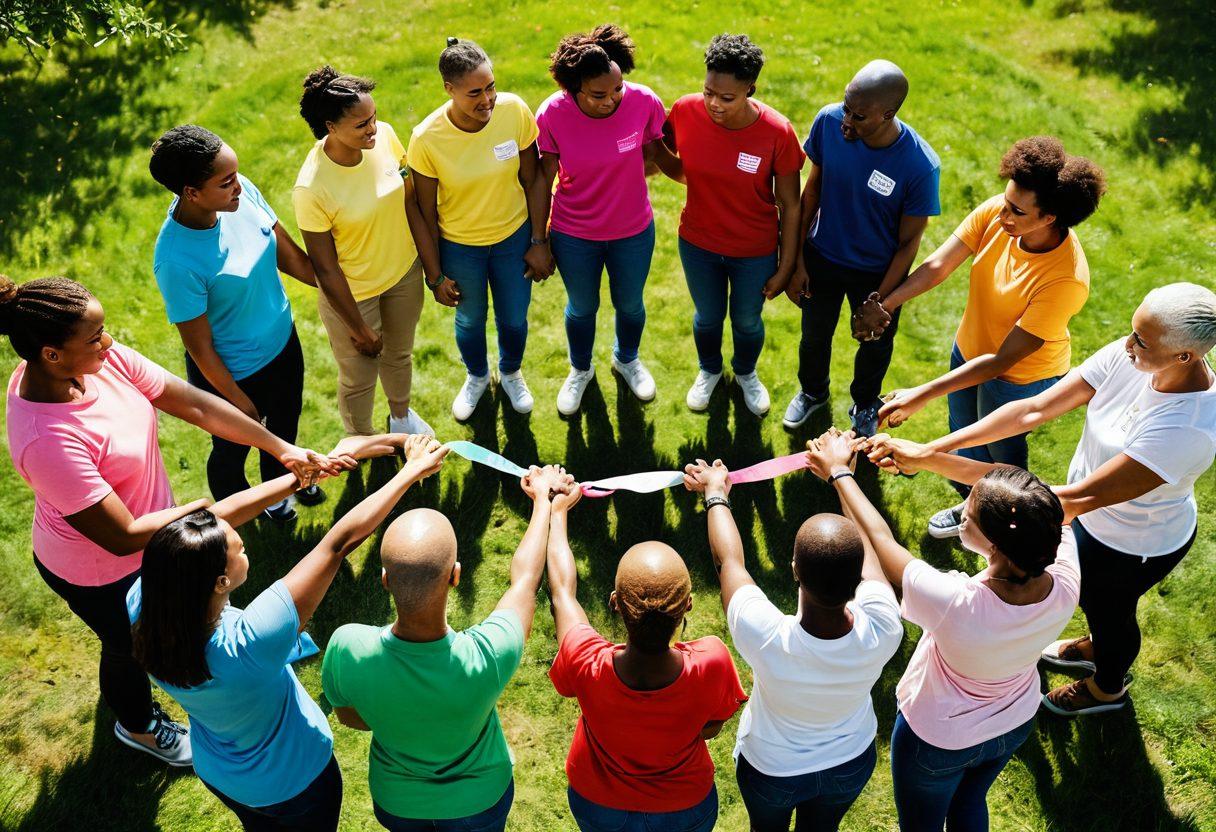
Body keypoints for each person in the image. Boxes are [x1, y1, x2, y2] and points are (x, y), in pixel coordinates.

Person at [1, 275, 336, 766]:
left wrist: (280, 448)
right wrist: (197, 513)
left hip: (157, 534)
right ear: (51, 354)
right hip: (100, 570)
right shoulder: (44, 438)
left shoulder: (99, 361)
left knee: (190, 611)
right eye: (94, 338)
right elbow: (122, 537)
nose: (109, 343)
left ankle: (246, 654)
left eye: (103, 331)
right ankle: (137, 726)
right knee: (131, 647)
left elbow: (196, 404)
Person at [864, 282, 1216, 715]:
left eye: (1141, 340)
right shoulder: (1135, 359)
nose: (1127, 345)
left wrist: (927, 459)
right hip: (1089, 521)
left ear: (1185, 356)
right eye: (1132, 330)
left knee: (1112, 612)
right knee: (1094, 603)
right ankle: (1094, 646)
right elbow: (1032, 410)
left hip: (1133, 543)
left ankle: (1107, 688)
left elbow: (1059, 502)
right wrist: (933, 448)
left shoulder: (1187, 430)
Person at [132, 433, 445, 831]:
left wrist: (304, 477)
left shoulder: (145, 600)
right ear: (220, 581)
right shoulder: (251, 641)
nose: (244, 545)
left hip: (221, 774)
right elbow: (337, 544)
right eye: (239, 549)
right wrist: (411, 472)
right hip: (296, 784)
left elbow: (205, 527)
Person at [807, 428, 1080, 831]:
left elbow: (881, 543)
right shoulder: (1066, 577)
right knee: (970, 802)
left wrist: (839, 475)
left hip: (939, 740)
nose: (960, 514)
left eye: (966, 515)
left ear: (994, 544)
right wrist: (920, 456)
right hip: (1013, 722)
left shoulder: (955, 603)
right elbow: (1053, 510)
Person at [869, 136, 1106, 536]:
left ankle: (1009, 524)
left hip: (1019, 378)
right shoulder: (1000, 213)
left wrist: (920, 394)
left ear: (1049, 218)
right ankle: (971, 504)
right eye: (1006, 200)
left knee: (1002, 454)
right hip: (969, 351)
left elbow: (1001, 362)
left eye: (1017, 211)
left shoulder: (1065, 278)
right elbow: (940, 264)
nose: (1002, 215)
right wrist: (886, 304)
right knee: (963, 432)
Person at [321, 464, 572, 831]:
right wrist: (542, 502)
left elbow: (349, 717)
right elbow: (526, 581)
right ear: (455, 575)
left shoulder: (347, 646)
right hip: (479, 801)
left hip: (397, 802)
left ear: (385, 580)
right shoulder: (490, 653)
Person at [682, 458, 902, 831]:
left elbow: (729, 562)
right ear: (859, 576)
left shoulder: (764, 634)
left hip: (772, 769)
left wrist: (716, 492)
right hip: (850, 761)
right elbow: (867, 549)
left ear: (795, 568)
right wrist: (839, 474)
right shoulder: (885, 626)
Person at [544, 483, 747, 831]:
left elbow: (562, 593)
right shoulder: (712, 660)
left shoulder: (583, 659)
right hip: (683, 806)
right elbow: (713, 726)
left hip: (598, 802)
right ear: (688, 604)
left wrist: (558, 512)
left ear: (614, 603)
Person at [150, 124, 324, 523]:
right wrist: (238, 402)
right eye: (226, 182)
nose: (239, 188)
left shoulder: (239, 193)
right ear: (191, 193)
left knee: (283, 425)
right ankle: (248, 508)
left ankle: (281, 484)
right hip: (231, 375)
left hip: (283, 344)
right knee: (232, 450)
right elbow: (200, 348)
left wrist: (343, 292)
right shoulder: (176, 260)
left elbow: (292, 257)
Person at [782, 60, 940, 437]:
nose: (846, 122)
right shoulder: (828, 122)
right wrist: (798, 259)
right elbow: (813, 190)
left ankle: (866, 403)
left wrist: (881, 302)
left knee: (874, 344)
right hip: (823, 257)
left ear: (888, 114)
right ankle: (813, 393)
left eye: (859, 116)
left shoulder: (920, 166)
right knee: (814, 336)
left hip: (877, 273)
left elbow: (908, 244)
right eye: (846, 107)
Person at [656, 33, 804, 416]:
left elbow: (790, 204)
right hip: (698, 243)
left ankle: (746, 373)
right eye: (708, 92)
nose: (714, 104)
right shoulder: (685, 111)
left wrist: (786, 267)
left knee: (746, 320)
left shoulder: (777, 132)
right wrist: (650, 149)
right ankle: (708, 371)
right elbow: (678, 167)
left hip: (753, 251)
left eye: (727, 97)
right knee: (707, 317)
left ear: (750, 89)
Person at [408, 38, 555, 421]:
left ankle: (509, 371)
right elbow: (424, 212)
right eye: (475, 92)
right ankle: (476, 376)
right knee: (470, 319)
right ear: (449, 90)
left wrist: (540, 240)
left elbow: (534, 179)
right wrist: (434, 274)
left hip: (513, 238)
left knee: (514, 316)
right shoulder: (427, 138)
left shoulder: (514, 111)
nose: (487, 99)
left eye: (490, 87)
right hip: (461, 248)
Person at [294, 65, 439, 438]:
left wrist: (433, 271)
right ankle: (362, 441)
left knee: (399, 355)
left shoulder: (386, 138)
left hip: (403, 275)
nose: (372, 129)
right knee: (359, 378)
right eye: (361, 125)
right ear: (330, 126)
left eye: (373, 118)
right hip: (354, 296)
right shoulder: (312, 188)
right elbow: (324, 269)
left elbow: (410, 205)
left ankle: (401, 418)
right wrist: (357, 327)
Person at [536, 24, 668, 415]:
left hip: (633, 231)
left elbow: (654, 156)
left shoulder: (643, 101)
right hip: (574, 234)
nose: (611, 100)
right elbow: (544, 180)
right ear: (572, 88)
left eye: (617, 90)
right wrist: (538, 240)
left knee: (630, 305)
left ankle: (626, 360)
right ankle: (580, 370)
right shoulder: (552, 115)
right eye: (599, 95)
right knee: (582, 307)